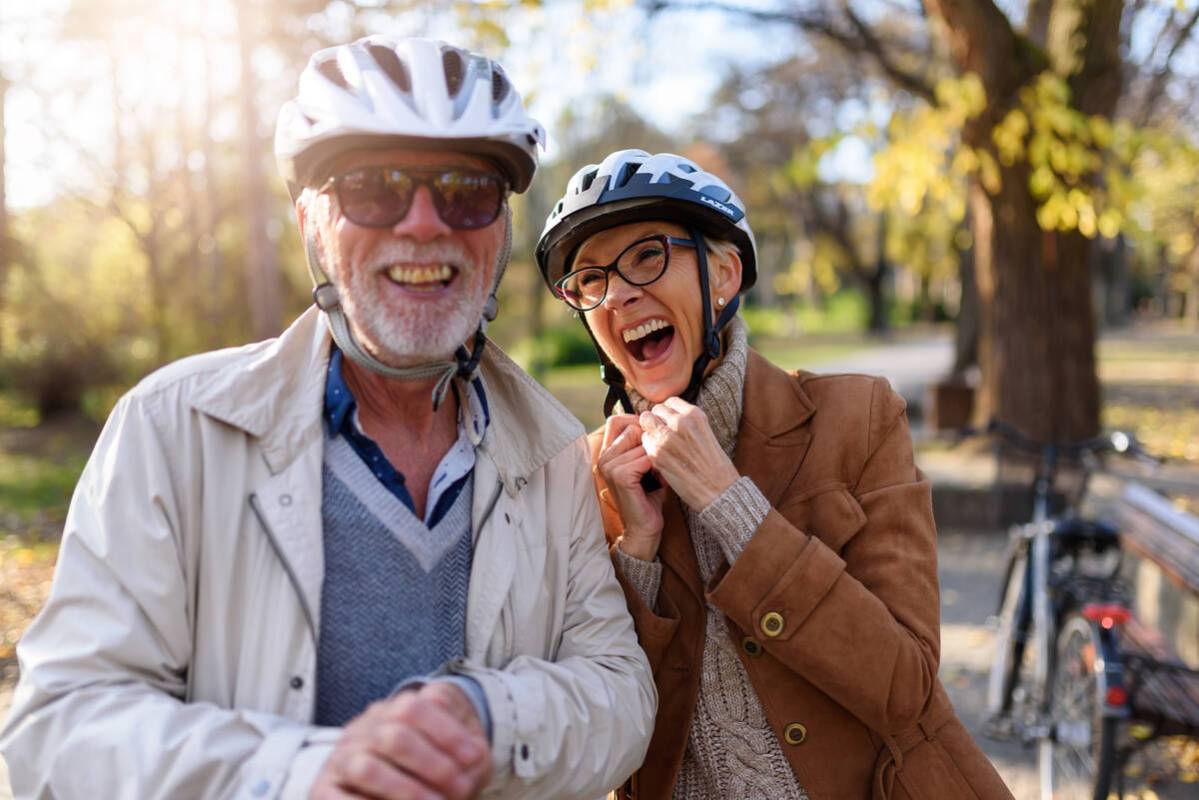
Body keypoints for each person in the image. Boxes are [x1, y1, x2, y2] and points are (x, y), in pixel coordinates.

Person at [0, 38, 654, 800]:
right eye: (372, 188)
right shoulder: (174, 427)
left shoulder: (550, 455)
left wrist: (486, 718)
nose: (421, 224)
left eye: (464, 190)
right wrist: (304, 771)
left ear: (499, 233)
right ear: (312, 223)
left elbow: (620, 695)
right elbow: (58, 732)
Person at [535, 149, 1013, 799]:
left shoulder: (857, 417)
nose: (617, 293)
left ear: (725, 274)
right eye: (589, 280)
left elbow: (904, 689)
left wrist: (732, 506)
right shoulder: (589, 474)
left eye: (647, 255)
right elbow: (606, 732)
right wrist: (638, 554)